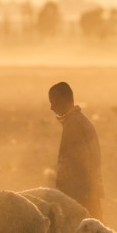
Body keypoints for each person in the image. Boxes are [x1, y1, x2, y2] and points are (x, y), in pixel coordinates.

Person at [49, 82, 104, 219]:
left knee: (85, 231)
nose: (51, 107)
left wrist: (66, 194)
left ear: (63, 99)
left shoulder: (73, 124)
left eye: (53, 101)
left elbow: (77, 162)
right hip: (88, 191)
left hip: (80, 194)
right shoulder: (79, 120)